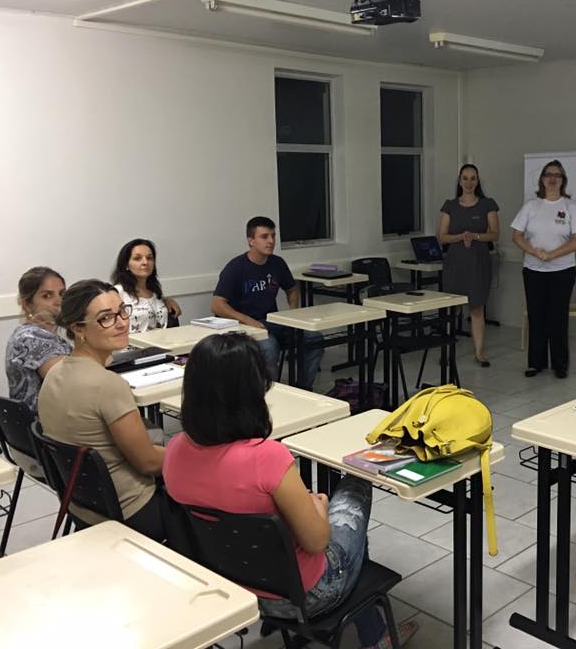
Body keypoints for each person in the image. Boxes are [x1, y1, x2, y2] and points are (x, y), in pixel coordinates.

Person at [162, 333, 417, 649]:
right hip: (307, 596)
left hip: (236, 589)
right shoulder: (267, 457)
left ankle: (371, 627)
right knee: (355, 484)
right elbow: (318, 541)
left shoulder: (173, 452)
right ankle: (375, 635)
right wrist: (320, 508)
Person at [38, 279, 166, 541]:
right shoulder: (108, 385)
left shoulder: (54, 373)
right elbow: (149, 463)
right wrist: (190, 455)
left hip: (82, 506)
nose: (121, 322)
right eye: (106, 318)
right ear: (78, 328)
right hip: (132, 511)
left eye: (122, 311)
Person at [212, 216, 323, 388]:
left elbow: (292, 289)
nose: (271, 241)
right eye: (264, 237)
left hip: (272, 321)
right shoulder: (236, 267)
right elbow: (217, 305)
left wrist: (293, 311)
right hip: (242, 327)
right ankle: (268, 395)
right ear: (251, 241)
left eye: (273, 236)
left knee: (314, 339)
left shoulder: (277, 263)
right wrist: (248, 320)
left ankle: (303, 389)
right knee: (269, 347)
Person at [510, 159, 576, 379]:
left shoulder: (570, 207)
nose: (552, 179)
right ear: (542, 179)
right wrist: (535, 252)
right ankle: (536, 363)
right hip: (534, 270)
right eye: (548, 175)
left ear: (562, 181)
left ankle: (560, 364)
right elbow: (516, 235)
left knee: (558, 317)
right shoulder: (531, 206)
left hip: (562, 271)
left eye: (557, 175)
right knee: (536, 316)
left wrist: (551, 255)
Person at [437, 164, 500, 366]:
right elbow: (443, 237)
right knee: (452, 308)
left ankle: (479, 353)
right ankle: (446, 352)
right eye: (465, 178)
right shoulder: (450, 205)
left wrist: (476, 236)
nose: (469, 182)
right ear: (459, 181)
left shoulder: (487, 204)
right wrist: (460, 237)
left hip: (478, 261)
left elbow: (495, 233)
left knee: (476, 308)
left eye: (473, 178)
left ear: (478, 181)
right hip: (455, 263)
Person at [5, 266, 71, 414]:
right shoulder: (33, 340)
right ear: (27, 304)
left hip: (39, 424)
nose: (58, 301)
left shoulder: (26, 332)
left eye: (62, 294)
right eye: (47, 296)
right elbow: (72, 383)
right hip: (45, 428)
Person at [111, 238, 181, 333]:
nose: (145, 262)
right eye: (137, 258)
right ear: (126, 265)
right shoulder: (117, 293)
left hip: (161, 345)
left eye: (149, 258)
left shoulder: (155, 292)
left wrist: (165, 300)